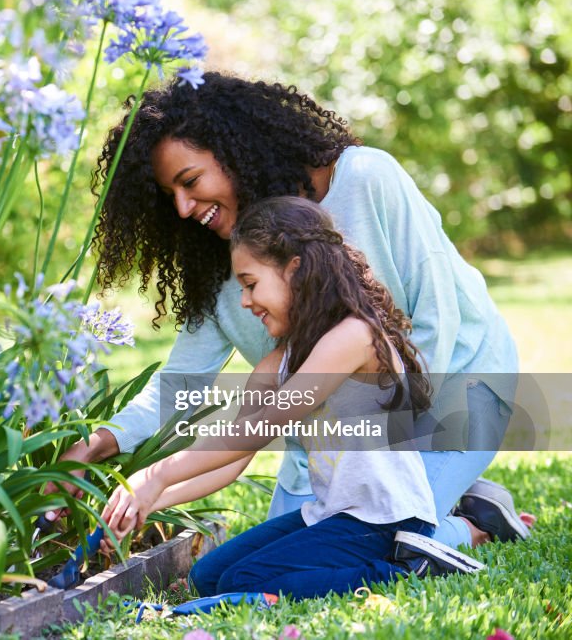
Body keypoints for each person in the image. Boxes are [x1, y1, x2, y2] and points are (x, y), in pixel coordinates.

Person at [52, 73, 528, 549]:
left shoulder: (364, 179)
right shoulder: (222, 266)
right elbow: (182, 384)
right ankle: (458, 500)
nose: (181, 207)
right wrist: (99, 443)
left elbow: (437, 320)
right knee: (284, 549)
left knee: (375, 541)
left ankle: (471, 525)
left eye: (190, 181)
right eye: (169, 195)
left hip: (456, 392)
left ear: (234, 150)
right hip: (332, 441)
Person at [101, 196, 485, 598]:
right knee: (208, 578)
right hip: (331, 515)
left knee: (242, 582)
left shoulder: (354, 337)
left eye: (250, 284)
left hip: (386, 521)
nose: (245, 301)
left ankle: (415, 569)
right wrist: (150, 501)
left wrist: (155, 474)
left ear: (295, 271)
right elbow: (233, 457)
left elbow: (261, 429)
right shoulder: (277, 363)